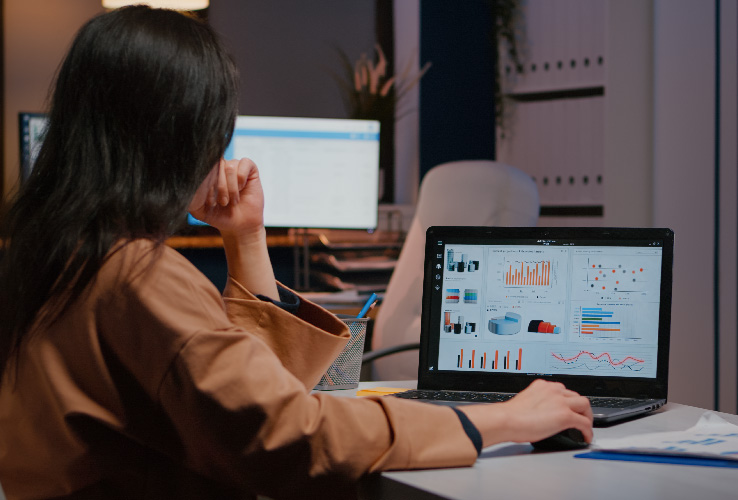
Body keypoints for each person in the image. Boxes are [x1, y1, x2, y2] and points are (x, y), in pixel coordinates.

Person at [0, 6, 593, 500]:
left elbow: (251, 391)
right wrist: (501, 419)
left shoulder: (57, 253)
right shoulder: (135, 277)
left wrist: (246, 237)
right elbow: (293, 433)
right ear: (181, 136)